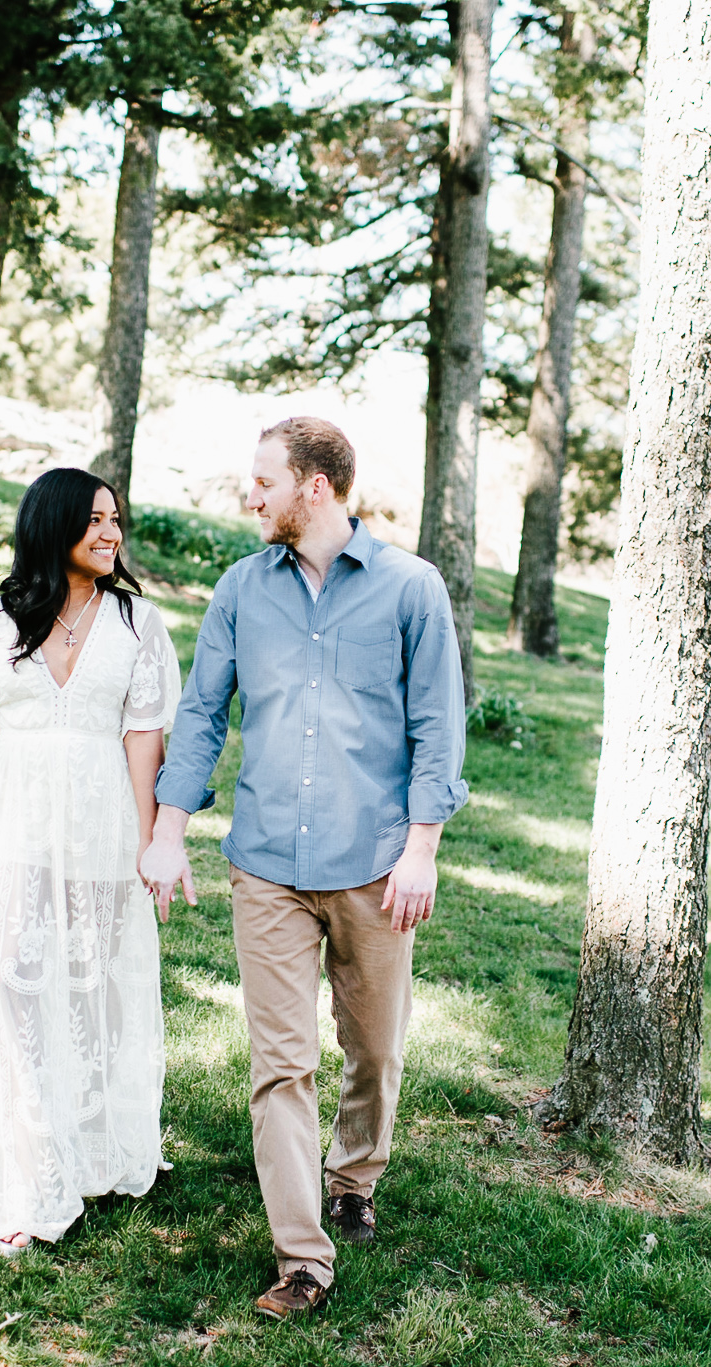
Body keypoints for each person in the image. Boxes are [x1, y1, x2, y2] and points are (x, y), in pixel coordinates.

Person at [140, 417, 469, 1319]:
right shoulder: (242, 590)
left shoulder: (410, 588)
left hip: (375, 865)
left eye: (263, 481)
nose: (251, 496)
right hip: (269, 869)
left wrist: (422, 850)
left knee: (374, 1047)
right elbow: (203, 714)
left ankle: (355, 1177)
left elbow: (439, 724)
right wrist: (168, 830)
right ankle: (303, 1259)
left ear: (313, 486)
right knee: (280, 1064)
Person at [0, 467, 182, 1257]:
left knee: (94, 986)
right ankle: (27, 1168)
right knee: (13, 992)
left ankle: (91, 1139)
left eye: (117, 521)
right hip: (11, 826)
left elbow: (144, 744)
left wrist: (149, 842)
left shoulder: (137, 623)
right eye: (95, 519)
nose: (110, 534)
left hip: (100, 829)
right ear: (52, 522)